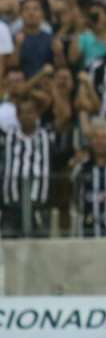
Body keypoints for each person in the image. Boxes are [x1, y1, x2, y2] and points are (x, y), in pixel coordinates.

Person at [0, 97, 54, 238]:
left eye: (30, 112)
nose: (27, 116)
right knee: (8, 248)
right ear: (17, 116)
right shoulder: (8, 138)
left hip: (40, 203)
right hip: (11, 204)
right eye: (23, 113)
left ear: (37, 114)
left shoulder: (47, 137)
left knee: (41, 249)